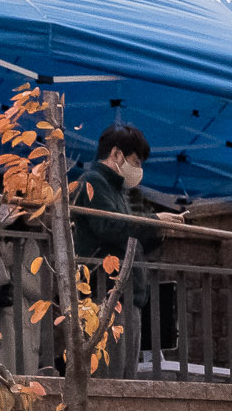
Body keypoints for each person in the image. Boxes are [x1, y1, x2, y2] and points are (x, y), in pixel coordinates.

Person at [69, 123, 183, 375]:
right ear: (116, 154)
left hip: (123, 294)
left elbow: (127, 236)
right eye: (135, 161)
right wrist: (154, 222)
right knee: (111, 376)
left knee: (123, 375)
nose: (138, 169)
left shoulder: (114, 189)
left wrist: (157, 231)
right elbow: (110, 227)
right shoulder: (93, 181)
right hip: (106, 293)